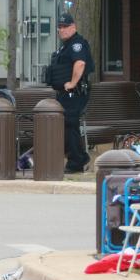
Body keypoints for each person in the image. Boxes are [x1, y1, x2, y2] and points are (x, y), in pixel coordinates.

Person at [45, 13, 94, 173]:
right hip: (65, 94)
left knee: (70, 124)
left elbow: (80, 64)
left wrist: (72, 84)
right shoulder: (65, 46)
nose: (62, 30)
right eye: (60, 27)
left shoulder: (77, 44)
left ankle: (76, 162)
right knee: (66, 125)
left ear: (74, 27)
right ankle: (78, 157)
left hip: (75, 92)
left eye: (65, 26)